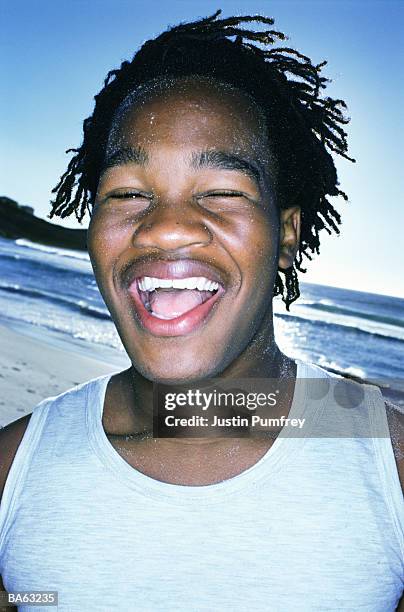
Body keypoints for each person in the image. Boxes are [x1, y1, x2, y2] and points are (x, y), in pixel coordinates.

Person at [0, 11, 403, 611]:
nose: (164, 228)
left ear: (287, 233)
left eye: (221, 192)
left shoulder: (391, 469)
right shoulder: (13, 472)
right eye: (128, 193)